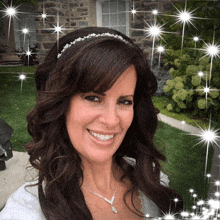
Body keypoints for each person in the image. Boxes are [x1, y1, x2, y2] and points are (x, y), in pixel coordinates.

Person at [0, 27, 183, 220]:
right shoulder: (25, 212)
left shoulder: (153, 183)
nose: (112, 120)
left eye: (124, 101)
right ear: (61, 104)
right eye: (93, 98)